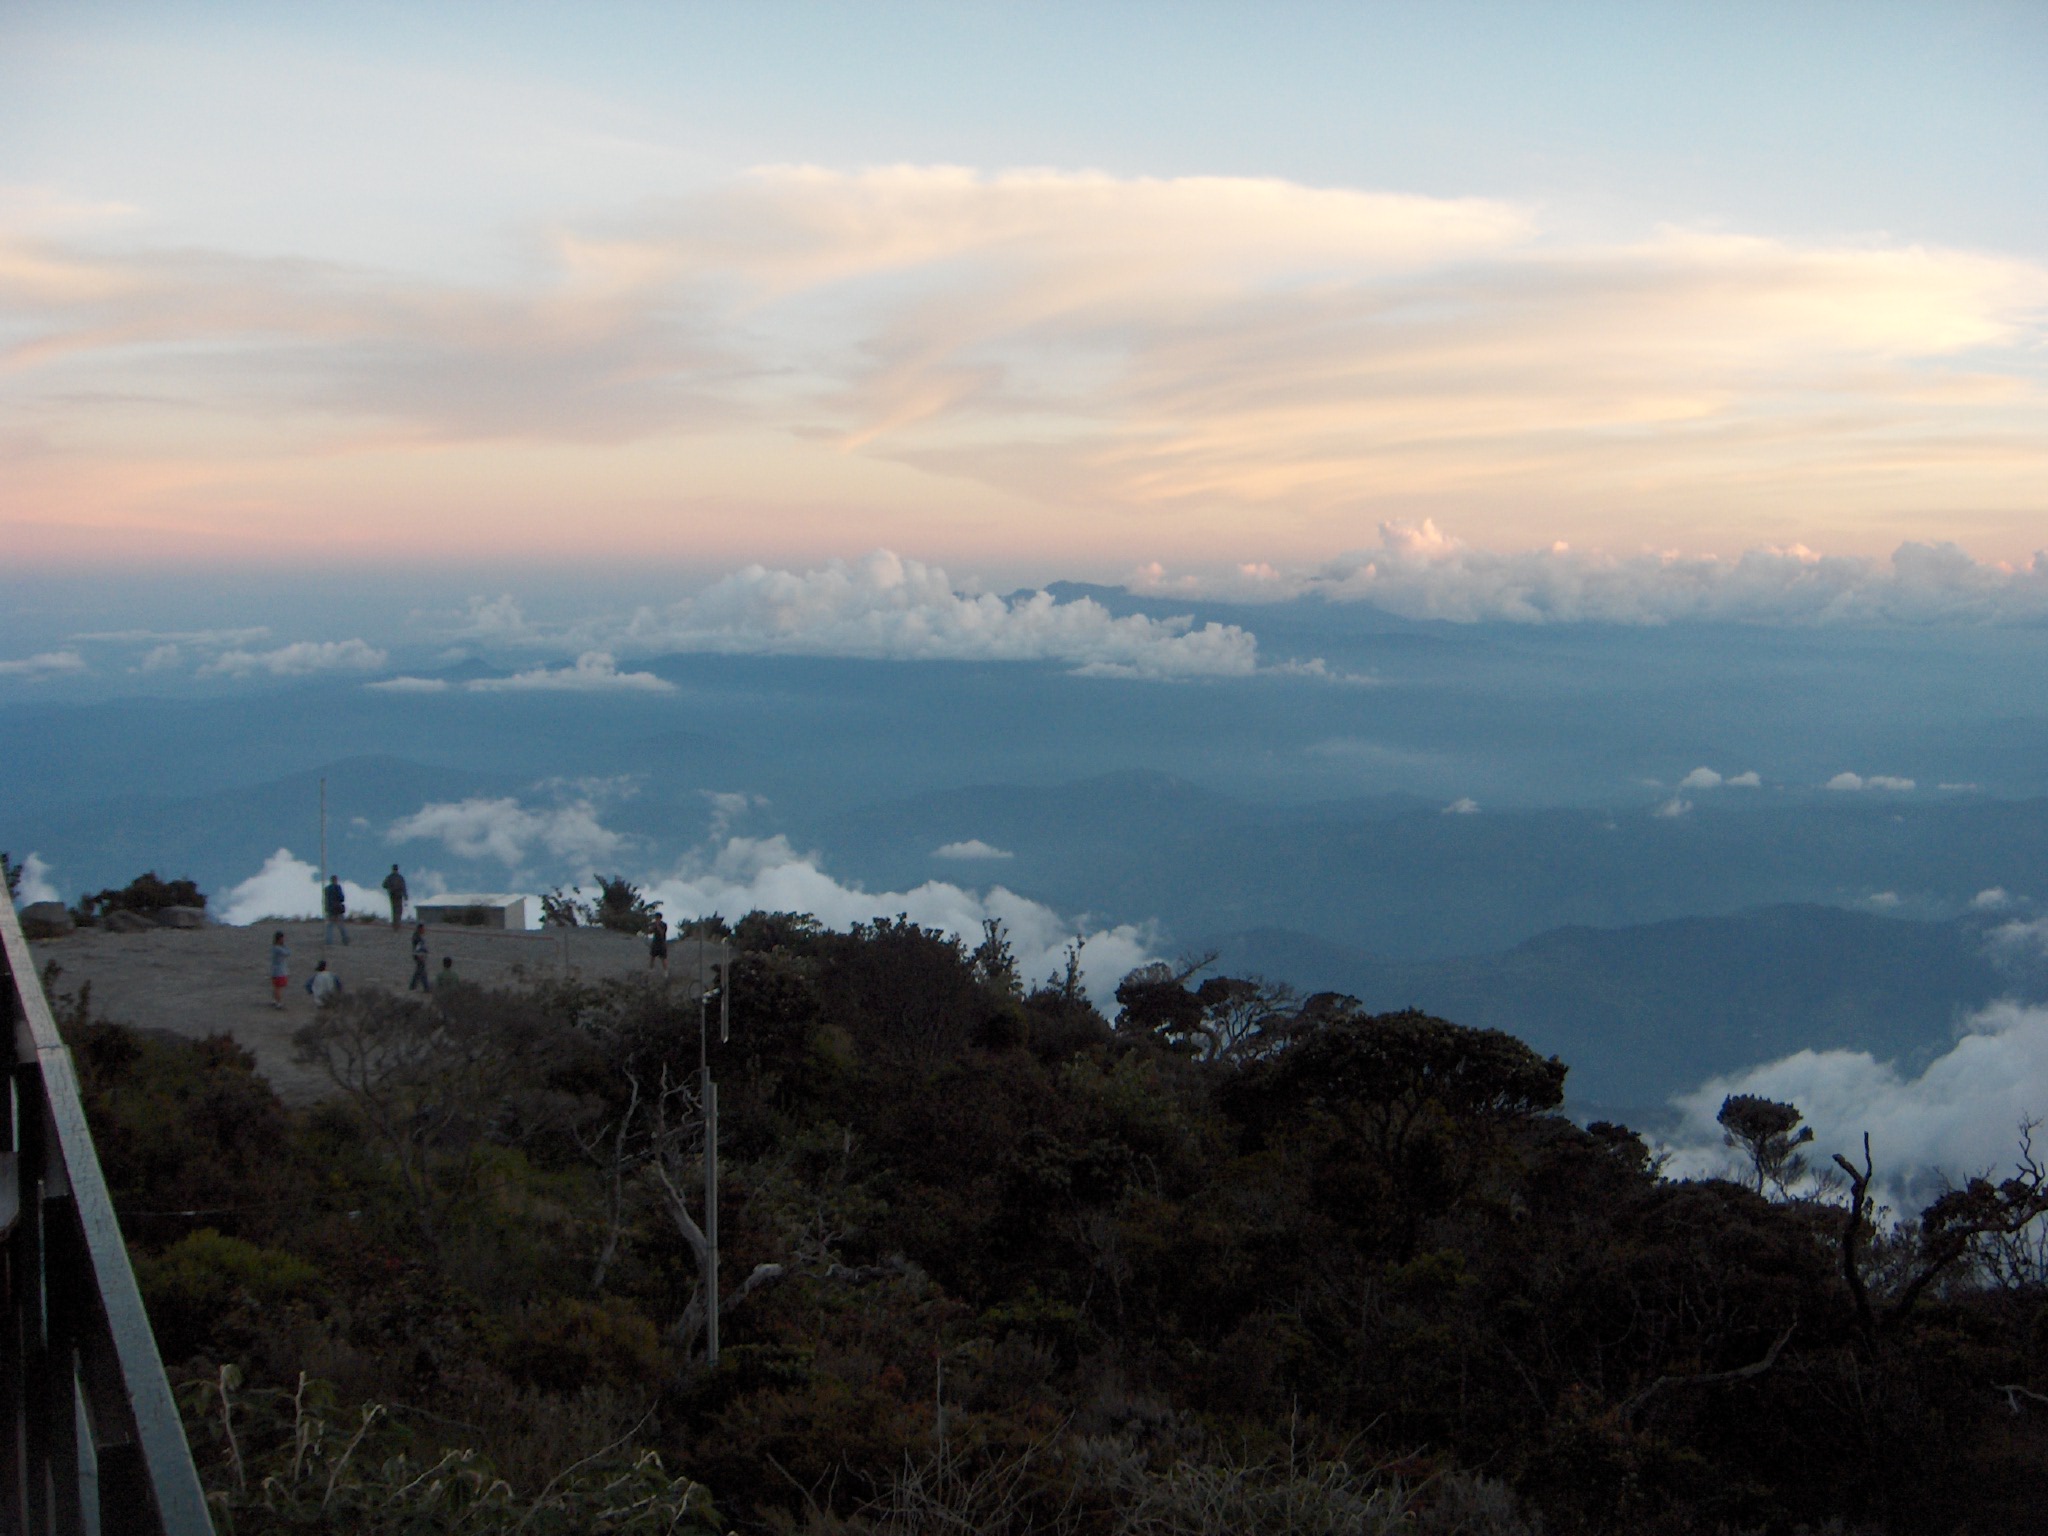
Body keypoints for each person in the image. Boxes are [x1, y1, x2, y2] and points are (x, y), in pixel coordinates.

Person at [323, 875, 351, 946]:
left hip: (330, 910)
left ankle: (328, 942)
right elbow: (342, 898)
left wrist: (326, 908)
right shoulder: (337, 887)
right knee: (341, 926)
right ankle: (345, 940)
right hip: (338, 909)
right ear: (336, 880)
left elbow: (325, 900)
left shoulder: (327, 889)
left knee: (329, 926)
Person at [382, 864, 408, 929]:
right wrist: (405, 896)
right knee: (399, 910)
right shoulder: (400, 878)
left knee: (394, 909)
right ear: (397, 869)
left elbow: (384, 885)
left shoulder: (389, 877)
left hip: (392, 895)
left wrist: (390, 888)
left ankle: (395, 924)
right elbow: (403, 887)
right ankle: (397, 924)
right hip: (399, 895)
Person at [269, 930, 290, 1008]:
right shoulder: (278, 948)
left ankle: (275, 1000)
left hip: (276, 970)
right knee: (278, 988)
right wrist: (284, 946)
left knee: (276, 987)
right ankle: (278, 1002)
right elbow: (288, 953)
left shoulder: (274, 948)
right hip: (279, 971)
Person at [408, 922, 431, 991]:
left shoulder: (417, 936)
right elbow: (418, 948)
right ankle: (426, 987)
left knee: (418, 972)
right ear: (420, 929)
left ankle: (413, 986)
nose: (424, 930)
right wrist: (421, 955)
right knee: (422, 972)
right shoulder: (417, 937)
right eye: (423, 929)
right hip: (419, 956)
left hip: (419, 956)